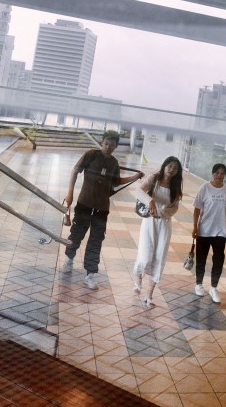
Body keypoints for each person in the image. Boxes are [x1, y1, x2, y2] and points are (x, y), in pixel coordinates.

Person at [63, 130, 143, 290]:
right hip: (85, 203)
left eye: (112, 145)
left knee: (96, 240)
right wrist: (70, 193)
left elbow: (116, 182)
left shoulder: (114, 163)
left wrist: (135, 177)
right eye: (106, 144)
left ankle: (90, 275)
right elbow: (75, 171)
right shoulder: (91, 155)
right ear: (102, 143)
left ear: (116, 147)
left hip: (102, 208)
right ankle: (69, 260)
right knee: (77, 234)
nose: (108, 147)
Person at [133, 156, 184, 308]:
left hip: (164, 224)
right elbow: (138, 191)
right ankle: (138, 280)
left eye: (175, 168)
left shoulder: (175, 187)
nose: (171, 169)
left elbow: (174, 208)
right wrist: (150, 201)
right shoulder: (154, 178)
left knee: (159, 257)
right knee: (144, 253)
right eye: (169, 166)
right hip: (149, 221)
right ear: (164, 166)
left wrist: (161, 212)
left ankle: (149, 295)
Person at [192, 163, 226, 304]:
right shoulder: (204, 188)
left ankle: (214, 288)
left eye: (222, 173)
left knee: (219, 259)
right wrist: (195, 227)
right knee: (201, 258)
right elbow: (197, 208)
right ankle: (199, 284)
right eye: (217, 172)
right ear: (212, 173)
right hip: (204, 229)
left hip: (220, 231)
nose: (219, 175)